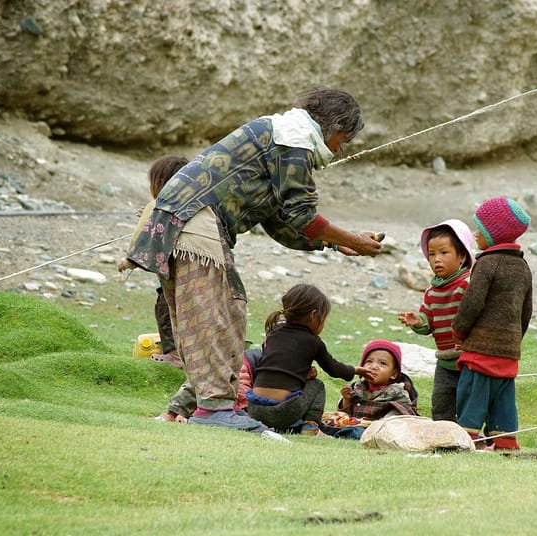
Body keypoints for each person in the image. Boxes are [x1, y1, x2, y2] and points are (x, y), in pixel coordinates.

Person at [126, 87, 382, 430]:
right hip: (196, 224)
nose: (340, 150)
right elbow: (303, 214)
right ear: (335, 128)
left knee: (214, 315)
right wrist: (353, 240)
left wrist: (334, 245)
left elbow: (281, 222)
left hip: (180, 223)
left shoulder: (280, 135)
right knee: (219, 314)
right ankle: (214, 410)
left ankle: (200, 407)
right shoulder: (295, 140)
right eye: (344, 140)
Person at [452, 197, 532, 451]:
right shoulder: (522, 266)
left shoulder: (487, 263)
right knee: (503, 398)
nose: (475, 234)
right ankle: (505, 442)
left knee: (472, 393)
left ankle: (467, 439)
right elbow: (526, 310)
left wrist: (459, 329)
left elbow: (472, 303)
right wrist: (514, 341)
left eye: (480, 229)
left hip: (481, 349)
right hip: (508, 351)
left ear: (494, 234)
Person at [245, 283, 372, 435]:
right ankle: (310, 425)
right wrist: (355, 370)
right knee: (317, 385)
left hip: (254, 409)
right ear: (313, 315)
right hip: (284, 412)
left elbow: (276, 365)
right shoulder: (313, 342)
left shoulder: (273, 333)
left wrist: (302, 373)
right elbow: (334, 369)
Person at [397, 219, 474, 421]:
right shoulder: (432, 292)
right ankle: (443, 435)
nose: (436, 259)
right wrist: (418, 321)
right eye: (432, 254)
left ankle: (469, 437)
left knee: (469, 402)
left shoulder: (467, 285)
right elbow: (428, 322)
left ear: (462, 255)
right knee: (441, 401)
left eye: (444, 252)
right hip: (445, 361)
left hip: (468, 359)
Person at [118, 155, 189, 366]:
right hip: (197, 278)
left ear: (159, 183)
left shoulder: (160, 204)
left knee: (164, 310)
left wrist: (129, 261)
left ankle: (174, 354)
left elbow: (143, 234)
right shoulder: (195, 201)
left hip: (173, 279)